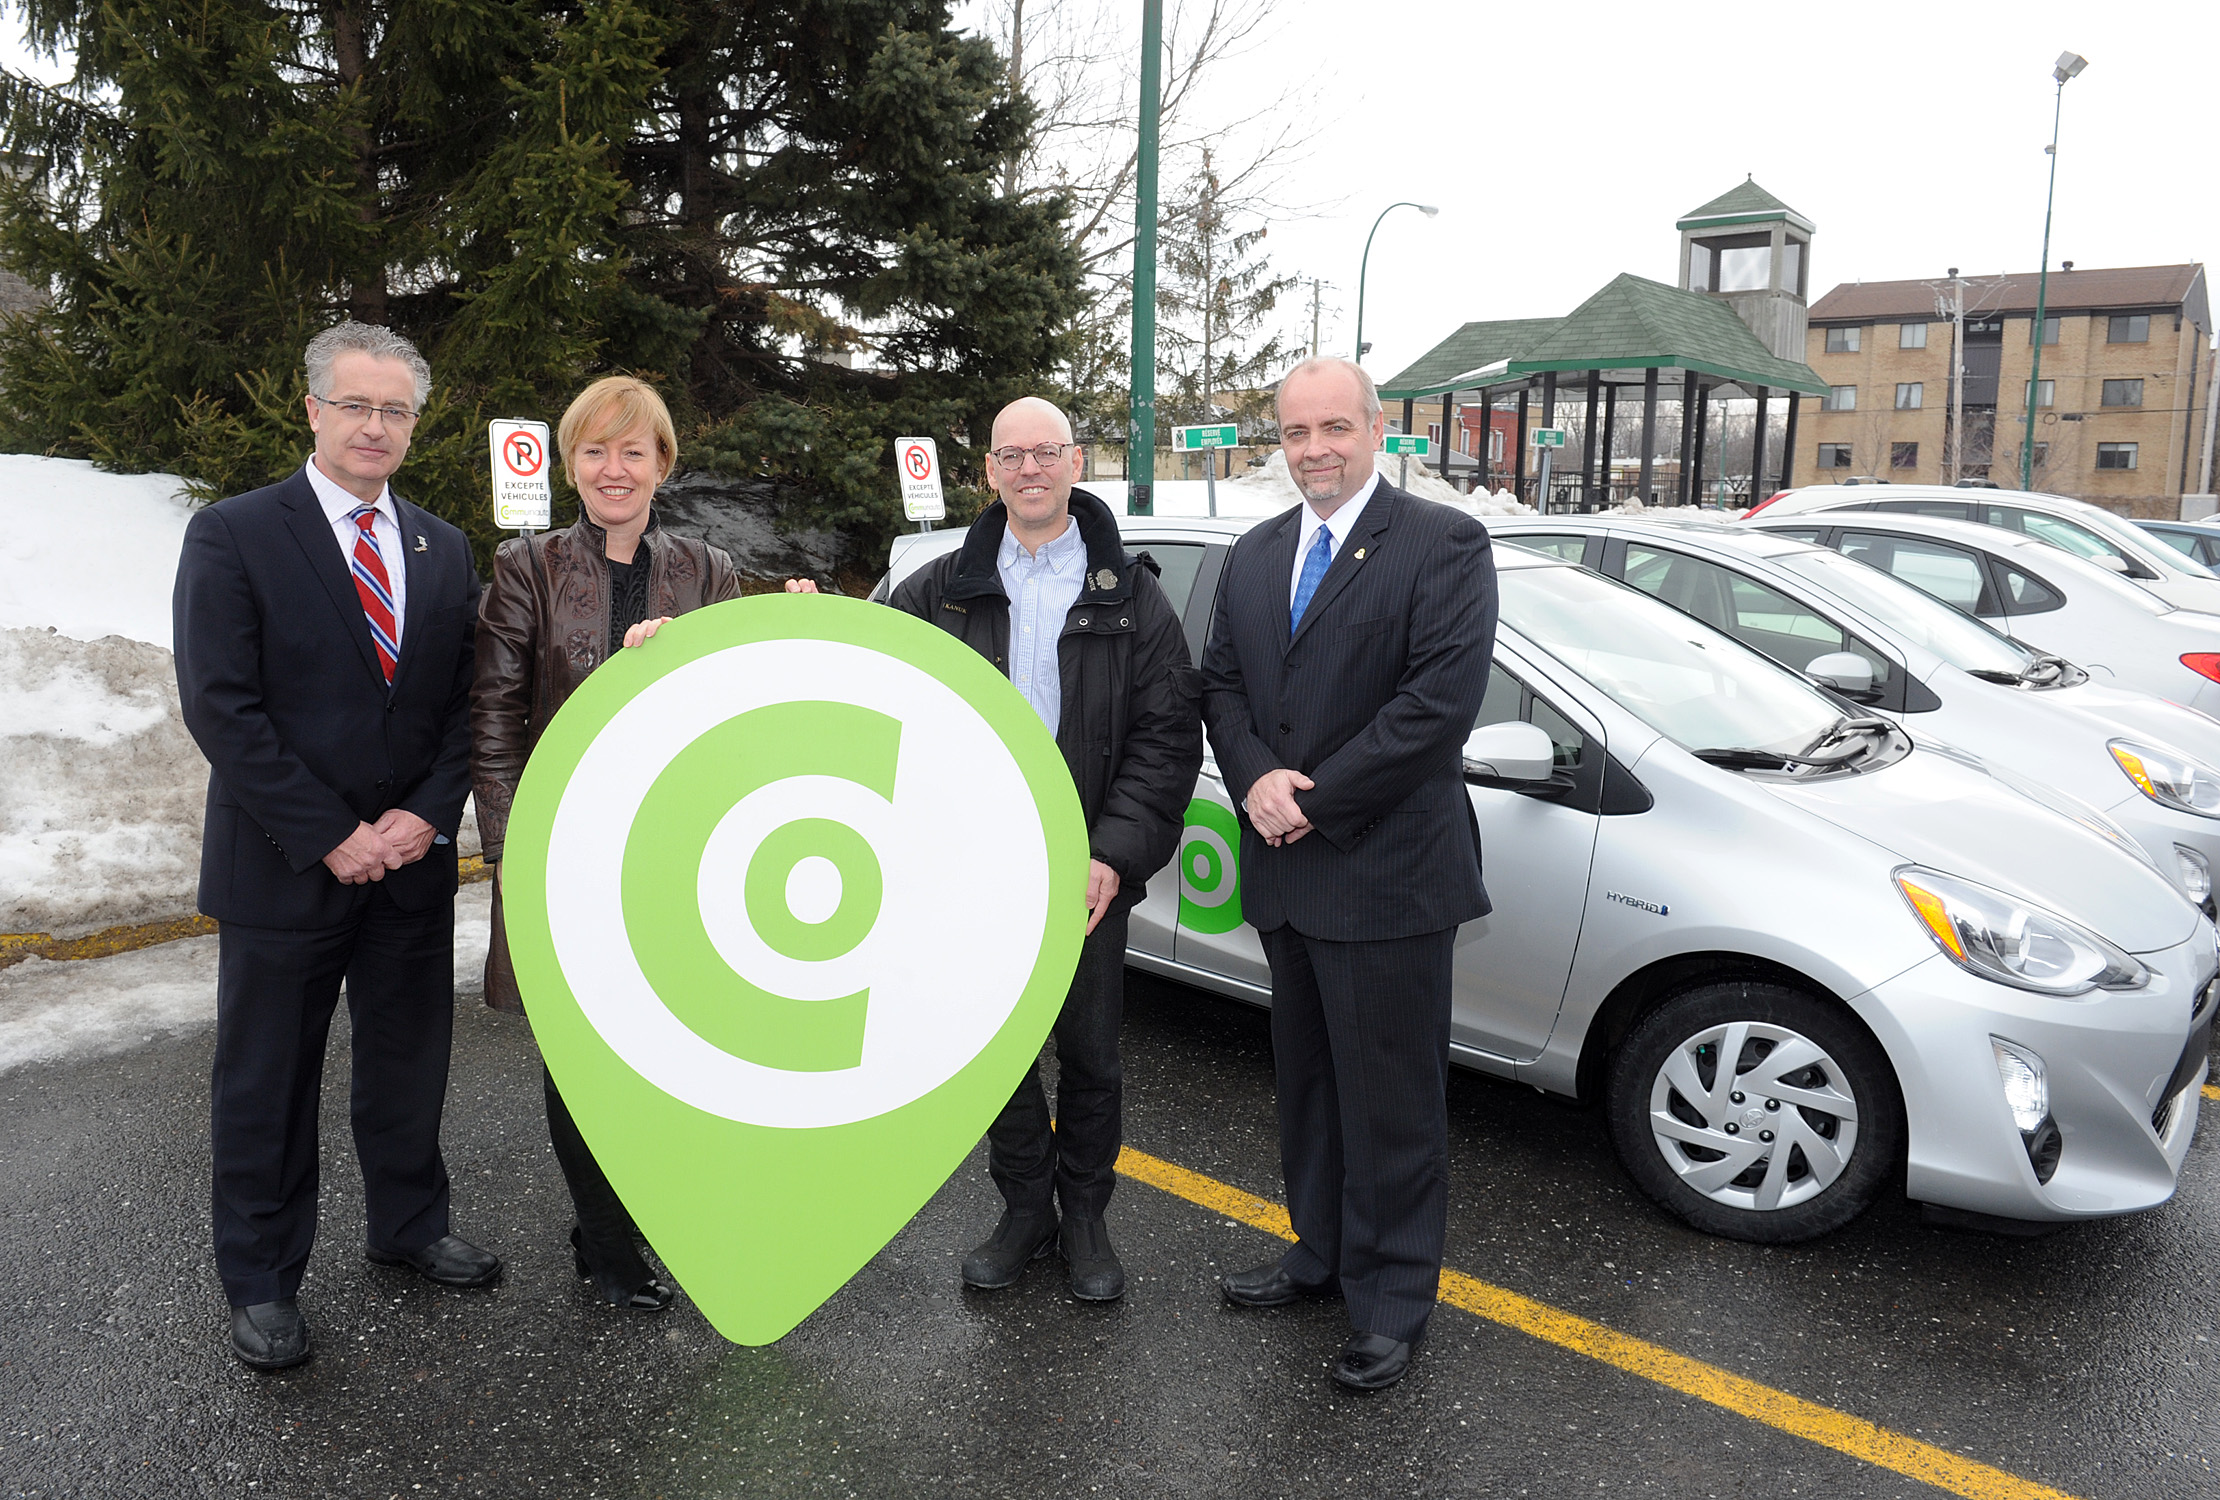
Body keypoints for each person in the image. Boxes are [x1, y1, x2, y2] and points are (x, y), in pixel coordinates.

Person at [173, 322, 493, 1372]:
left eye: (394, 410)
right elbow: (223, 707)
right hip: (283, 866)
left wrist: (424, 816)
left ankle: (408, 1226)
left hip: (407, 867)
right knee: (267, 1082)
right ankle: (261, 1280)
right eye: (355, 404)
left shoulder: (444, 547)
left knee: (408, 1063)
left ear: (415, 424)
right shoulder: (236, 533)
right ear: (311, 409)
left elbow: (463, 708)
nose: (374, 425)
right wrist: (330, 834)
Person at [1199, 356, 1496, 1391]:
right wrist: (1253, 781)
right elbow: (1223, 684)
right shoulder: (1255, 553)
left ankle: (1391, 1304)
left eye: (1335, 428)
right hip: (1286, 873)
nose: (1315, 450)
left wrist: (1306, 801)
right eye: (1295, 433)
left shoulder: (1443, 544)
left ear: (1377, 430)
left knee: (1391, 1103)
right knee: (1311, 1089)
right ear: (1276, 442)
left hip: (1386, 876)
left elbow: (1434, 709)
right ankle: (1319, 1256)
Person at [888, 397, 1201, 1301]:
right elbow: (871, 681)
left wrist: (1114, 853)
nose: (1030, 470)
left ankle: (1087, 1216)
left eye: (1047, 453)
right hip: (971, 872)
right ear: (988, 471)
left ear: (1075, 464)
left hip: (1085, 871)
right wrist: (801, 616)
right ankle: (1025, 1209)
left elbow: (1166, 736)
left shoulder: (1131, 593)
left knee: (1091, 1052)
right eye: (1010, 455)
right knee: (998, 1052)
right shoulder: (941, 588)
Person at [470, 375, 743, 1312]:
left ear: (662, 464)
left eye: (634, 451)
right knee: (584, 1055)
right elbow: (497, 718)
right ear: (567, 464)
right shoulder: (529, 569)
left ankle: (638, 1212)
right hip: (570, 856)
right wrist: (516, 851)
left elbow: (741, 700)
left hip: (681, 855)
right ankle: (607, 1240)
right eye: (595, 450)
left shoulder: (708, 570)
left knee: (667, 1049)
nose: (613, 469)